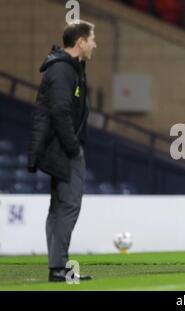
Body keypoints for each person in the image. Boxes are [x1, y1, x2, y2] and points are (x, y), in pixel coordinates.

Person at [28, 20, 97, 282]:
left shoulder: (70, 68)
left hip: (59, 146)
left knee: (59, 207)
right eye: (92, 38)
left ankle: (58, 266)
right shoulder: (62, 70)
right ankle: (59, 268)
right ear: (80, 41)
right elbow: (59, 110)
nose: (94, 44)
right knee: (67, 205)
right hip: (62, 148)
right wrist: (73, 147)